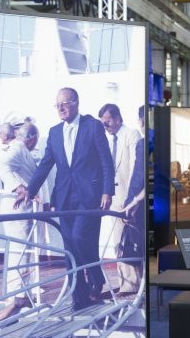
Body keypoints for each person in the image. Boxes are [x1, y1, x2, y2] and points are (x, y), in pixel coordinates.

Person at [15, 87, 115, 310]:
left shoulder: (92, 126)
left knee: (79, 238)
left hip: (89, 195)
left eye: (65, 103)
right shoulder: (54, 132)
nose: (60, 108)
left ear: (76, 103)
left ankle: (96, 274)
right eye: (57, 105)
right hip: (64, 197)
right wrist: (30, 190)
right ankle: (79, 297)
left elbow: (106, 161)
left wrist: (107, 191)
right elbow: (46, 164)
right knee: (69, 246)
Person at [0, 115, 39, 321]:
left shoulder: (11, 149)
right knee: (21, 252)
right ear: (32, 138)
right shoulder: (18, 148)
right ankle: (18, 297)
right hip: (18, 207)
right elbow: (3, 169)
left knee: (18, 251)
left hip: (11, 206)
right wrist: (19, 188)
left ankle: (20, 294)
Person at [98, 102, 143, 295]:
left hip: (129, 199)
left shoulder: (131, 135)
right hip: (115, 200)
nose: (105, 126)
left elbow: (136, 168)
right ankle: (125, 282)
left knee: (130, 242)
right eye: (103, 123)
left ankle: (133, 284)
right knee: (118, 242)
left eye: (107, 122)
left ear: (117, 119)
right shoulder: (109, 141)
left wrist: (131, 199)